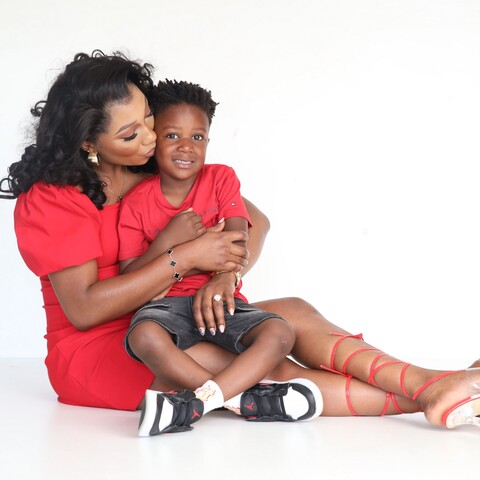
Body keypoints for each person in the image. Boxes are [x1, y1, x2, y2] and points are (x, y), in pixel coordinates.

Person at [1, 50, 479, 433]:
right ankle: (436, 392)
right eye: (130, 134)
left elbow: (255, 222)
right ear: (88, 142)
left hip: (173, 313)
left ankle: (435, 385)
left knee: (293, 313)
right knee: (257, 363)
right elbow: (84, 308)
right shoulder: (53, 199)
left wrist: (224, 277)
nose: (149, 139)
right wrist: (185, 256)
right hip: (105, 349)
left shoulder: (154, 168)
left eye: (148, 119)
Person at [117, 79, 323, 436]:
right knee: (143, 336)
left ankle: (195, 404)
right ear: (153, 141)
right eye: (172, 135)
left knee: (279, 332)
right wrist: (167, 241)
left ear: (208, 141)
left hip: (222, 301)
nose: (186, 146)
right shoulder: (136, 202)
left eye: (197, 137)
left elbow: (238, 235)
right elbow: (131, 275)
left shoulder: (221, 178)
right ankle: (244, 401)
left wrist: (223, 278)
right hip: (165, 310)